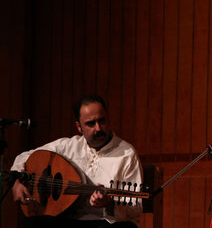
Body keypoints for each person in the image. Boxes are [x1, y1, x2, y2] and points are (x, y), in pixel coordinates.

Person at [11, 94, 143, 228]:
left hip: (104, 222)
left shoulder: (126, 154)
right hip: (67, 218)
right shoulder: (68, 146)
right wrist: (16, 181)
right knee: (30, 224)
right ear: (79, 127)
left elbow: (135, 208)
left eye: (102, 121)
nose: (98, 128)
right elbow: (24, 157)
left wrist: (109, 204)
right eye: (90, 124)